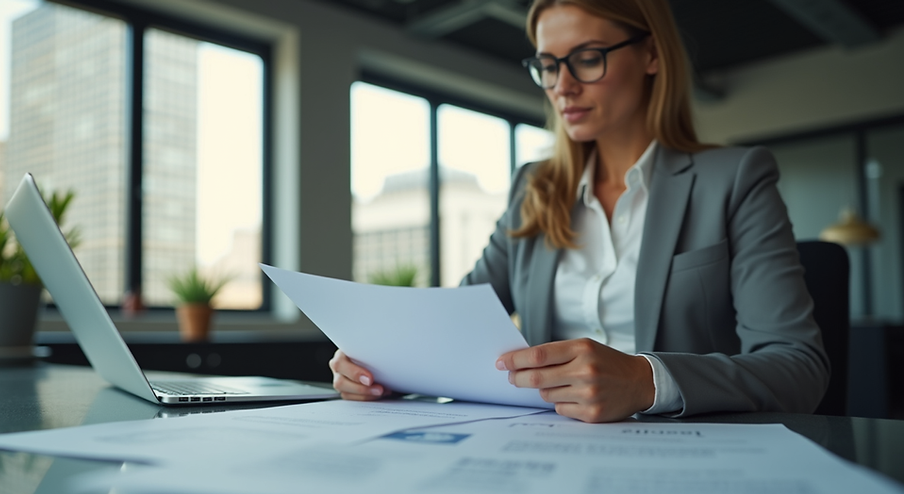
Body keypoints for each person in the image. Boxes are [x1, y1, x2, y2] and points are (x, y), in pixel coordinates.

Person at [330, 0, 829, 422]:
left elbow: (799, 366)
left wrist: (646, 381)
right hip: (551, 449)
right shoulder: (534, 188)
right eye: (548, 65)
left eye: (587, 59)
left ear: (652, 54)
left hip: (689, 459)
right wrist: (383, 366)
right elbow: (455, 327)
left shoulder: (734, 178)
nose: (562, 86)